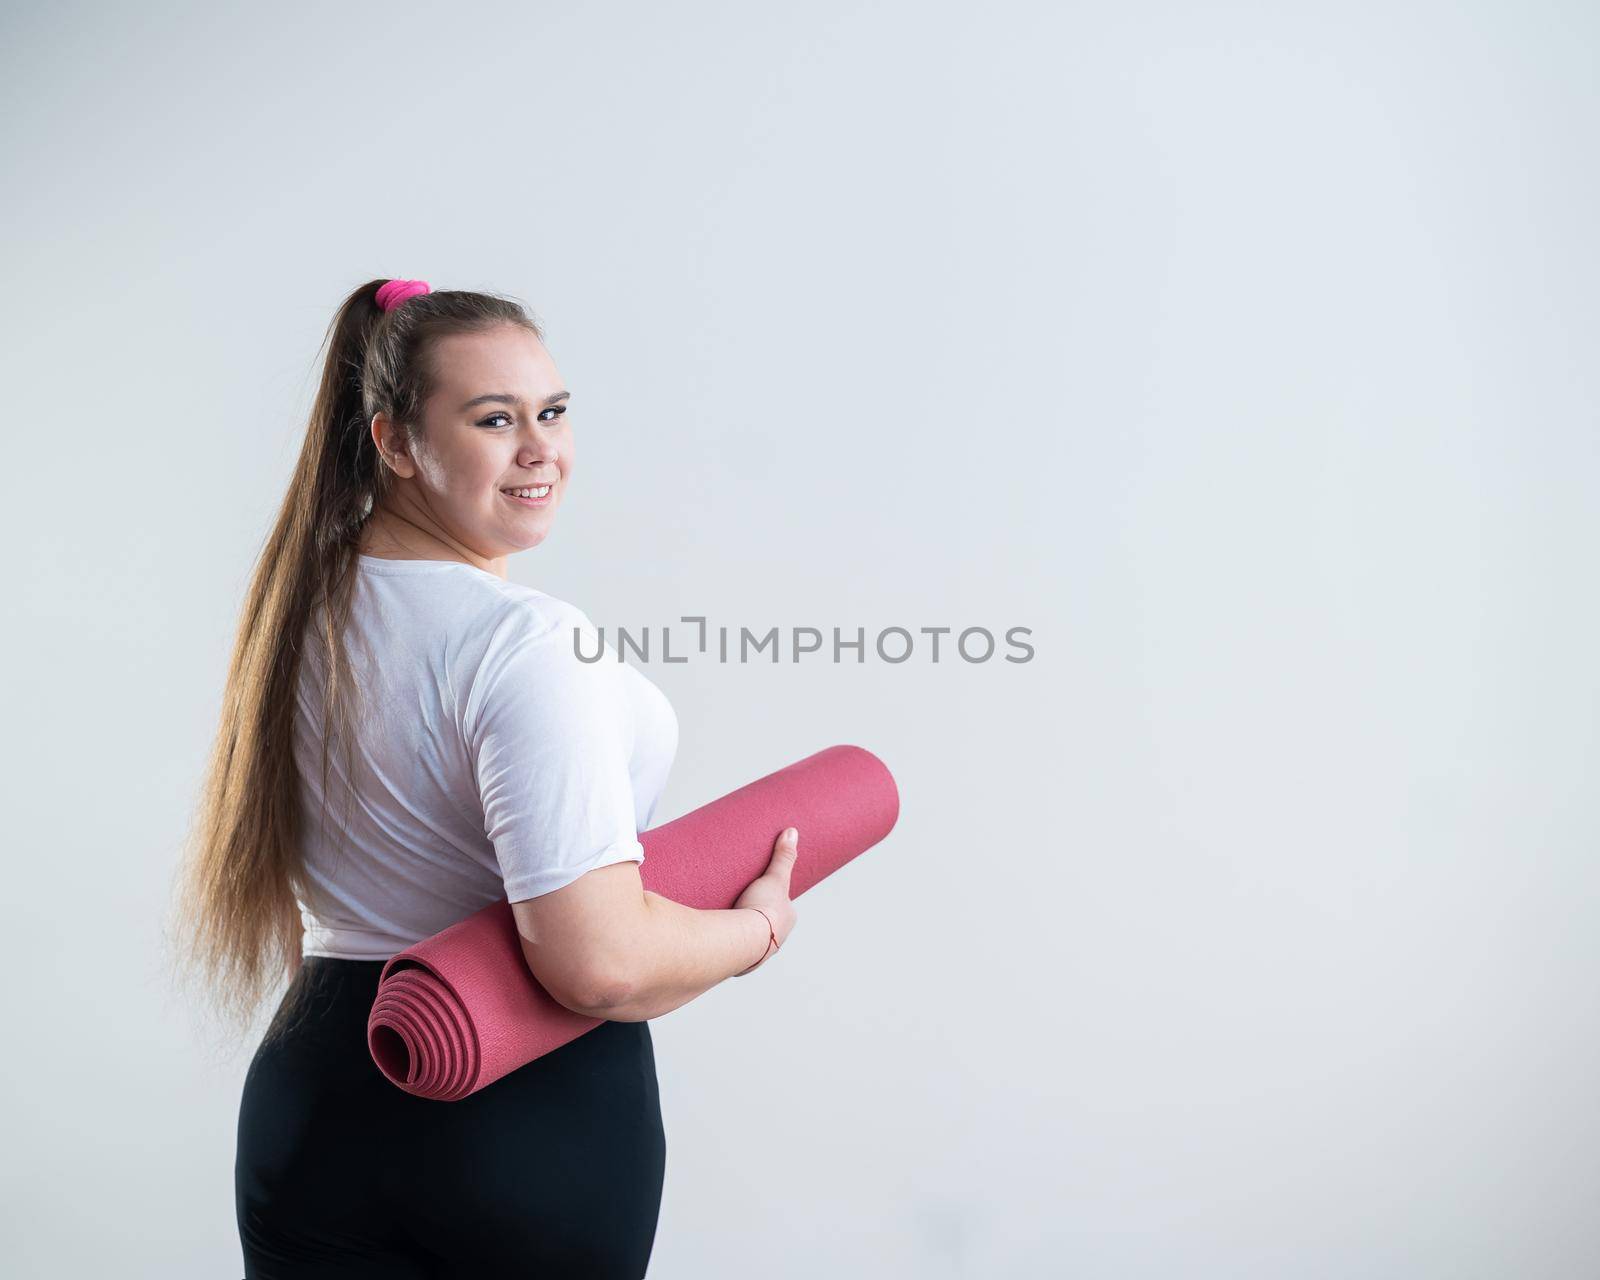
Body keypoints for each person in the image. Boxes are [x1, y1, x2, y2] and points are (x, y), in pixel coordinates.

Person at [165, 278, 799, 1278]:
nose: (540, 447)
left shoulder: (297, 612)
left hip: (316, 1098)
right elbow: (594, 963)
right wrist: (754, 927)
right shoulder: (527, 642)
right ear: (395, 443)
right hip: (518, 1119)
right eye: (494, 419)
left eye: (551, 412)